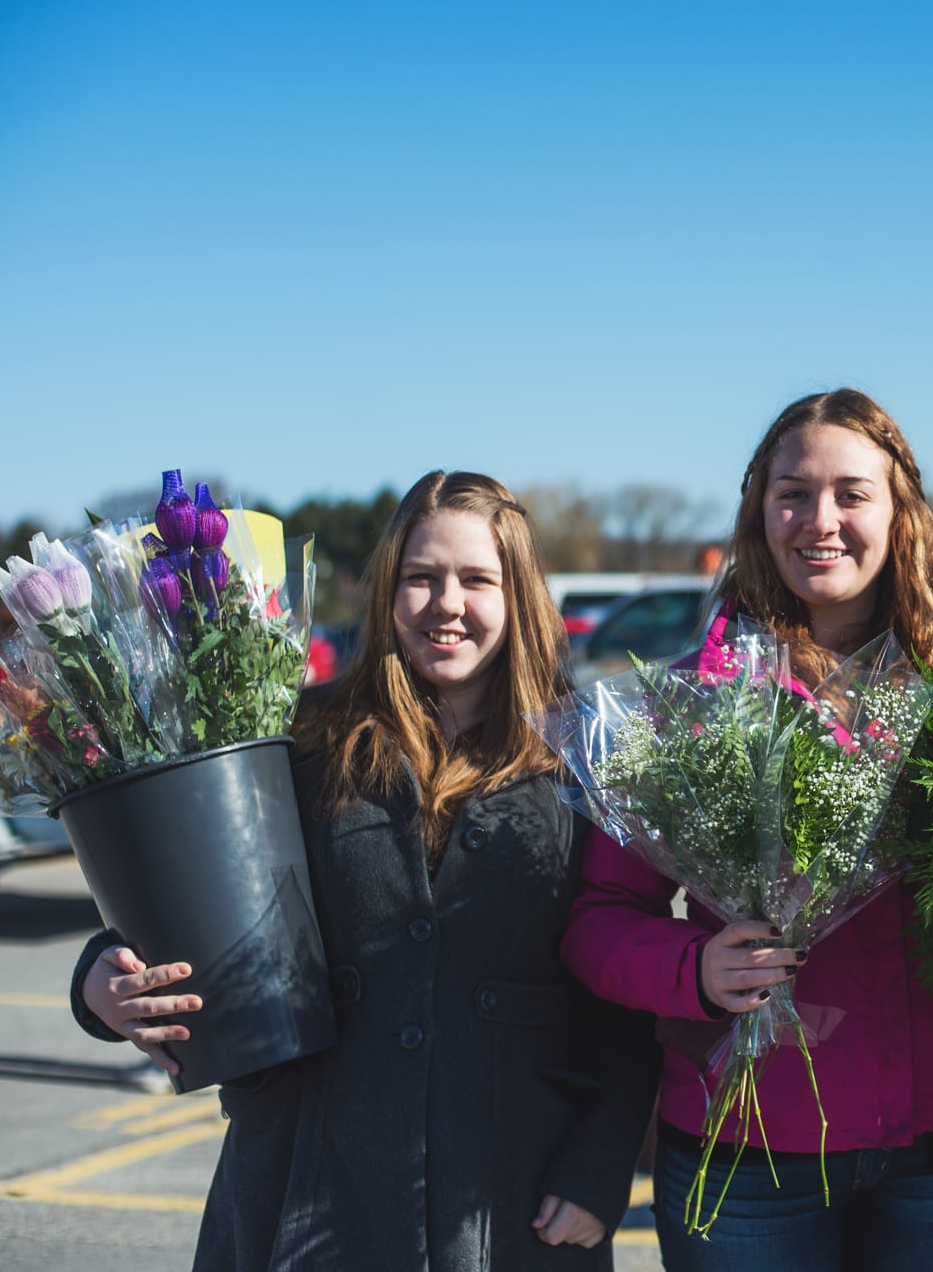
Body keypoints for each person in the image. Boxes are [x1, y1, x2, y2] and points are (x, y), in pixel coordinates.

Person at [69, 472, 659, 1271]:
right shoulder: (299, 735)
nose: (446, 604)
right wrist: (102, 983)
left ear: (519, 596)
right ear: (387, 591)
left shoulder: (583, 757)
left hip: (512, 1196)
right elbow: (191, 895)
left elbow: (622, 984)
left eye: (477, 579)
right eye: (421, 577)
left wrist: (600, 1167)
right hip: (309, 1183)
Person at [562, 389, 933, 1272]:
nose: (822, 520)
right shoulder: (686, 706)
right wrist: (694, 969)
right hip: (746, 1160)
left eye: (853, 493)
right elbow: (595, 920)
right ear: (757, 512)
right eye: (793, 493)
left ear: (902, 515)